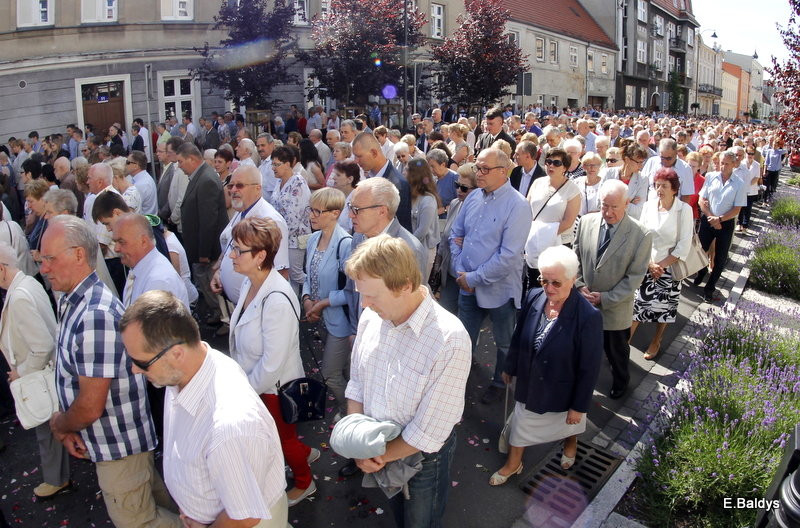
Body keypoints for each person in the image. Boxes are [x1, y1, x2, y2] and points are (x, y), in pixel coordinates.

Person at [40, 216, 180, 527]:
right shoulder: (73, 300)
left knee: (139, 522)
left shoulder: (93, 314)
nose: (44, 268)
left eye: (50, 258)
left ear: (78, 255)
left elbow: (91, 405)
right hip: (115, 445)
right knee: (160, 508)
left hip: (118, 448)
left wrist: (61, 425)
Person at [120, 291, 289, 528]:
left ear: (176, 353)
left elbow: (244, 517)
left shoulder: (229, 429)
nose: (135, 370)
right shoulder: (185, 371)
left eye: (141, 362)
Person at [344, 234, 471, 528]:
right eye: (361, 294)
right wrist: (361, 444)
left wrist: (375, 454)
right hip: (378, 450)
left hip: (423, 463)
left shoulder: (450, 339)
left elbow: (428, 433)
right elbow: (358, 384)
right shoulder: (371, 318)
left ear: (405, 286)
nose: (364, 305)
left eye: (372, 296)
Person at [490, 245, 602, 485]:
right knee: (521, 422)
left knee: (569, 424)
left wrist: (578, 407)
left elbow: (589, 367)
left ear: (573, 280)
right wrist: (510, 366)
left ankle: (570, 442)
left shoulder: (589, 317)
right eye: (544, 280)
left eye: (556, 283)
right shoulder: (534, 296)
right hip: (532, 381)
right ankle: (513, 464)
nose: (548, 288)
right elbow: (519, 336)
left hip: (563, 387)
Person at [227, 217, 319, 507]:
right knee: (284, 437)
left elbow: (272, 363)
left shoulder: (276, 298)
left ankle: (305, 482)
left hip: (272, 389)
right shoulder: (250, 283)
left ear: (260, 256)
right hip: (259, 384)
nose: (231, 254)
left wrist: (245, 392)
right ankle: (303, 452)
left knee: (282, 439)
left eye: (238, 250)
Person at [449, 147, 532, 404]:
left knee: (504, 342)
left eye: (485, 169)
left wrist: (472, 278)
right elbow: (455, 234)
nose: (479, 173)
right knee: (463, 339)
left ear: (503, 171)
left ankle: (499, 382)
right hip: (466, 284)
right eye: (477, 167)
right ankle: (458, 381)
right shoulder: (473, 198)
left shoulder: (518, 206)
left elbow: (508, 257)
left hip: (499, 290)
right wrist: (459, 268)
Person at [0, 243, 71, 500]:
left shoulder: (18, 297)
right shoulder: (28, 283)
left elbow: (41, 345)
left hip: (38, 376)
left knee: (47, 429)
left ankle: (56, 479)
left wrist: (21, 373)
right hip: (51, 371)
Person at [573, 180, 652, 400]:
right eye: (603, 205)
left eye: (614, 207)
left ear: (626, 204)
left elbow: (634, 277)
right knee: (581, 349)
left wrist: (606, 298)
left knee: (616, 353)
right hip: (584, 302)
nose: (607, 212)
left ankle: (621, 381)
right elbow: (576, 256)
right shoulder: (587, 221)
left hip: (615, 309)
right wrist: (579, 285)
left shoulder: (641, 235)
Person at [629, 169, 693, 360]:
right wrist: (650, 263)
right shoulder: (648, 206)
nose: (659, 189)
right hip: (647, 264)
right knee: (638, 305)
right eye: (657, 185)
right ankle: (624, 343)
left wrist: (661, 266)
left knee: (664, 307)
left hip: (669, 267)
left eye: (664, 186)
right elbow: (640, 234)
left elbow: (684, 245)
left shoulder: (683, 210)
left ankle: (657, 340)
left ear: (674, 189)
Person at [301, 188, 352, 419]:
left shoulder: (346, 244)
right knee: (342, 369)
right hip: (322, 318)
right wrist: (306, 299)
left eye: (317, 211)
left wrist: (321, 303)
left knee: (330, 372)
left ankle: (349, 411)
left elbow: (351, 292)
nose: (312, 216)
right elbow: (307, 277)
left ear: (335, 213)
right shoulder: (313, 239)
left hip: (341, 322)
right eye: (310, 209)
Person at [176, 143, 228, 323]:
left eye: (181, 162)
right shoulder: (201, 176)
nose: (179, 166)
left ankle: (223, 318)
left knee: (211, 285)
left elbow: (208, 220)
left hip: (207, 250)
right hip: (200, 247)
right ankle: (218, 314)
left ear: (192, 159)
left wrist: (204, 253)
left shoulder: (205, 180)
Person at [694, 150, 748, 303]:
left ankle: (710, 288)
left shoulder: (739, 184)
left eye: (727, 164)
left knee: (720, 257)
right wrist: (711, 217)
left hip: (725, 223)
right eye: (721, 163)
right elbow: (701, 199)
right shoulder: (711, 177)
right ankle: (701, 272)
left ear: (734, 165)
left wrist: (720, 219)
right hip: (708, 219)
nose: (723, 166)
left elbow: (737, 209)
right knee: (701, 250)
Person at [525, 147, 581, 282]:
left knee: (554, 282)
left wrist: (544, 235)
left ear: (565, 168)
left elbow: (568, 221)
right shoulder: (538, 182)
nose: (551, 165)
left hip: (558, 243)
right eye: (548, 161)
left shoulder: (572, 189)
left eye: (556, 163)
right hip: (534, 241)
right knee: (533, 280)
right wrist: (534, 235)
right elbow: (526, 209)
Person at [113, 213, 189, 308]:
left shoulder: (158, 281)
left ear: (143, 241)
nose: (116, 248)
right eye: (115, 242)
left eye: (121, 242)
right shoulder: (143, 271)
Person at [436, 163, 477, 314]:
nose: (459, 190)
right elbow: (446, 240)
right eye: (457, 185)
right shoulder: (454, 204)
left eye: (464, 188)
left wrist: (466, 243)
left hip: (469, 277)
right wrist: (438, 268)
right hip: (449, 274)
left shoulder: (480, 211)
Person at [270, 146, 311, 296]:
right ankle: (294, 307)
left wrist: (278, 235)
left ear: (287, 164)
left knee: (296, 274)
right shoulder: (278, 182)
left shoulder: (298, 182)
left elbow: (295, 215)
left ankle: (313, 295)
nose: (273, 168)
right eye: (272, 164)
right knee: (286, 275)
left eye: (277, 164)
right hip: (280, 238)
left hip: (294, 238)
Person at [352, 132, 413, 231]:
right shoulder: (368, 178)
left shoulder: (398, 184)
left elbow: (401, 228)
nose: (356, 161)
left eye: (359, 156)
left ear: (374, 153)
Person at [406, 158, 441, 281]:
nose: (404, 174)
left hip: (423, 250)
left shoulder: (428, 200)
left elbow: (422, 230)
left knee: (420, 285)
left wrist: (405, 247)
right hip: (409, 248)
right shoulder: (409, 196)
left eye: (407, 171)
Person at [601, 143, 649, 219]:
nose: (641, 166)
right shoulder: (608, 174)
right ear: (627, 159)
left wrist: (612, 202)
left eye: (642, 162)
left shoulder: (643, 179)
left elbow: (638, 211)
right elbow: (599, 202)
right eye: (638, 162)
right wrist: (627, 202)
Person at [330, 160, 359, 233]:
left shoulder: (356, 200)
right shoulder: (338, 196)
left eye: (338, 175)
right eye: (334, 174)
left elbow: (353, 231)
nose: (333, 178)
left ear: (350, 179)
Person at [737, 147, 761, 234]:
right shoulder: (741, 163)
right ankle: (739, 223)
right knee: (740, 207)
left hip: (751, 190)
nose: (750, 155)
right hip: (741, 189)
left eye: (752, 154)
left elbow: (757, 177)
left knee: (748, 208)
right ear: (745, 153)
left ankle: (745, 226)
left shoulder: (757, 165)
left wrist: (747, 184)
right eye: (748, 153)